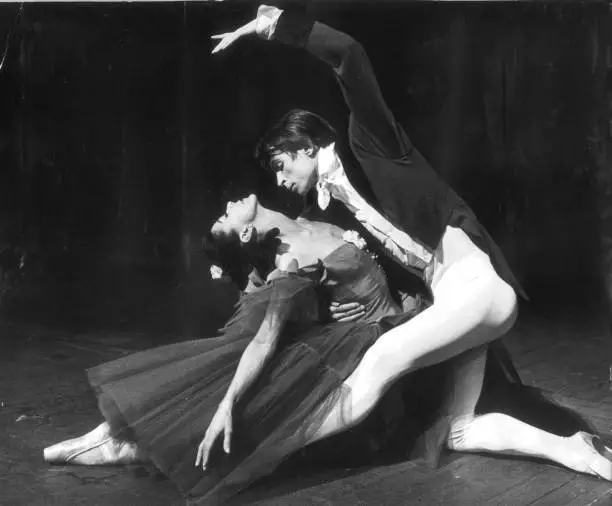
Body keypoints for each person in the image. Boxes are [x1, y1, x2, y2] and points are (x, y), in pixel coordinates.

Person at [43, 194, 611, 506]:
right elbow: (267, 330)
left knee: (455, 424)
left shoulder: (306, 221)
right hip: (364, 345)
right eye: (225, 215)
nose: (229, 202)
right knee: (234, 399)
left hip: (393, 331)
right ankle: (112, 444)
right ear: (245, 234)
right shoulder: (290, 257)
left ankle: (112, 443)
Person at [210, 3, 529, 450]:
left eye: (281, 166)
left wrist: (275, 27)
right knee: (458, 430)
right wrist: (335, 307)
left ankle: (262, 451)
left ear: (305, 147)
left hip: (475, 283)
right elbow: (359, 269)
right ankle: (581, 453)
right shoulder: (333, 209)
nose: (280, 181)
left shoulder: (369, 141)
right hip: (452, 297)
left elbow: (349, 55)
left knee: (380, 363)